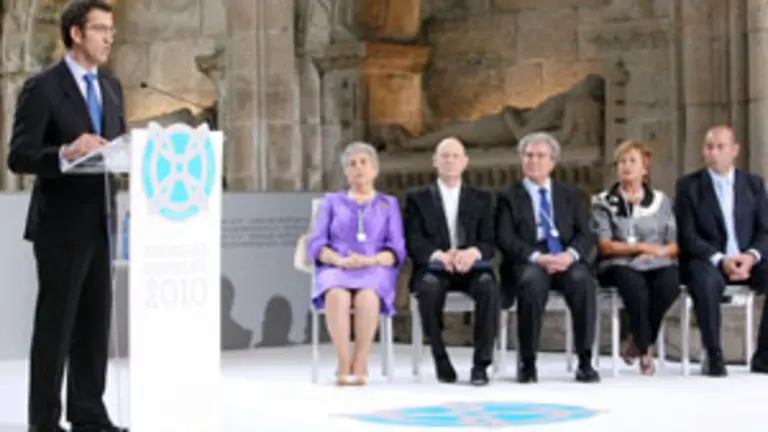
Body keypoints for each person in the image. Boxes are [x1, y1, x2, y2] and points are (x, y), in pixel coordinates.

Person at [5, 1, 127, 431]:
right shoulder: (43, 87)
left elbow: (117, 148)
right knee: (57, 326)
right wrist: (64, 152)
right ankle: (44, 421)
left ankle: (88, 413)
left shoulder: (111, 88)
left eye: (111, 29)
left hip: (103, 222)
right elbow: (19, 156)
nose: (109, 37)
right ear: (76, 33)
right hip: (60, 225)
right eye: (100, 29)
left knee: (95, 323)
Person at [495, 132, 600, 384]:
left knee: (583, 282)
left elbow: (586, 233)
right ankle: (527, 362)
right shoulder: (508, 196)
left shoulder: (571, 194)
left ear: (552, 162)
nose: (533, 161)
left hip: (564, 256)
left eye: (540, 156)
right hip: (529, 259)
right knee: (531, 284)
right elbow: (505, 237)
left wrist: (570, 255)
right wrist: (537, 257)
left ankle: (585, 361)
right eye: (528, 155)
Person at [306, 141, 406, 386]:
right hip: (337, 267)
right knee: (337, 296)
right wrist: (339, 260)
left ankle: (360, 361)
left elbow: (396, 248)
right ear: (346, 171)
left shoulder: (388, 204)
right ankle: (343, 360)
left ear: (375, 169)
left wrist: (368, 260)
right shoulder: (332, 201)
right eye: (352, 164)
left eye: (364, 162)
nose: (358, 168)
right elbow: (316, 243)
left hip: (374, 268)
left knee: (367, 299)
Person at [403, 137, 499, 386]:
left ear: (465, 162)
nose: (450, 161)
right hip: (436, 266)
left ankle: (481, 365)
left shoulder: (482, 198)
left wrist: (473, 253)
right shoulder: (417, 198)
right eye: (444, 156)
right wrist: (437, 255)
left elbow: (490, 241)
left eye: (456, 156)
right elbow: (413, 239)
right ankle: (440, 356)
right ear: (434, 161)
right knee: (429, 288)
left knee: (488, 286)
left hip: (472, 268)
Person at [675, 125, 768, 376]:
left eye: (720, 147)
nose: (713, 152)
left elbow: (765, 230)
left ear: (735, 150)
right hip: (710, 260)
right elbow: (688, 235)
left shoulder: (754, 185)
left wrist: (750, 257)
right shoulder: (688, 186)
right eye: (709, 147)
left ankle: (764, 355)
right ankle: (713, 354)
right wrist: (721, 260)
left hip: (747, 259)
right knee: (704, 280)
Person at [590, 140, 680, 375]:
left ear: (645, 168)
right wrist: (642, 247)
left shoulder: (662, 202)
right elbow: (605, 245)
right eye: (622, 162)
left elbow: (673, 244)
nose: (626, 167)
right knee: (634, 285)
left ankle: (638, 340)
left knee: (670, 283)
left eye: (632, 161)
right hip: (618, 263)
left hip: (657, 262)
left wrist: (659, 252)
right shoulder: (603, 202)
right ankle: (646, 348)